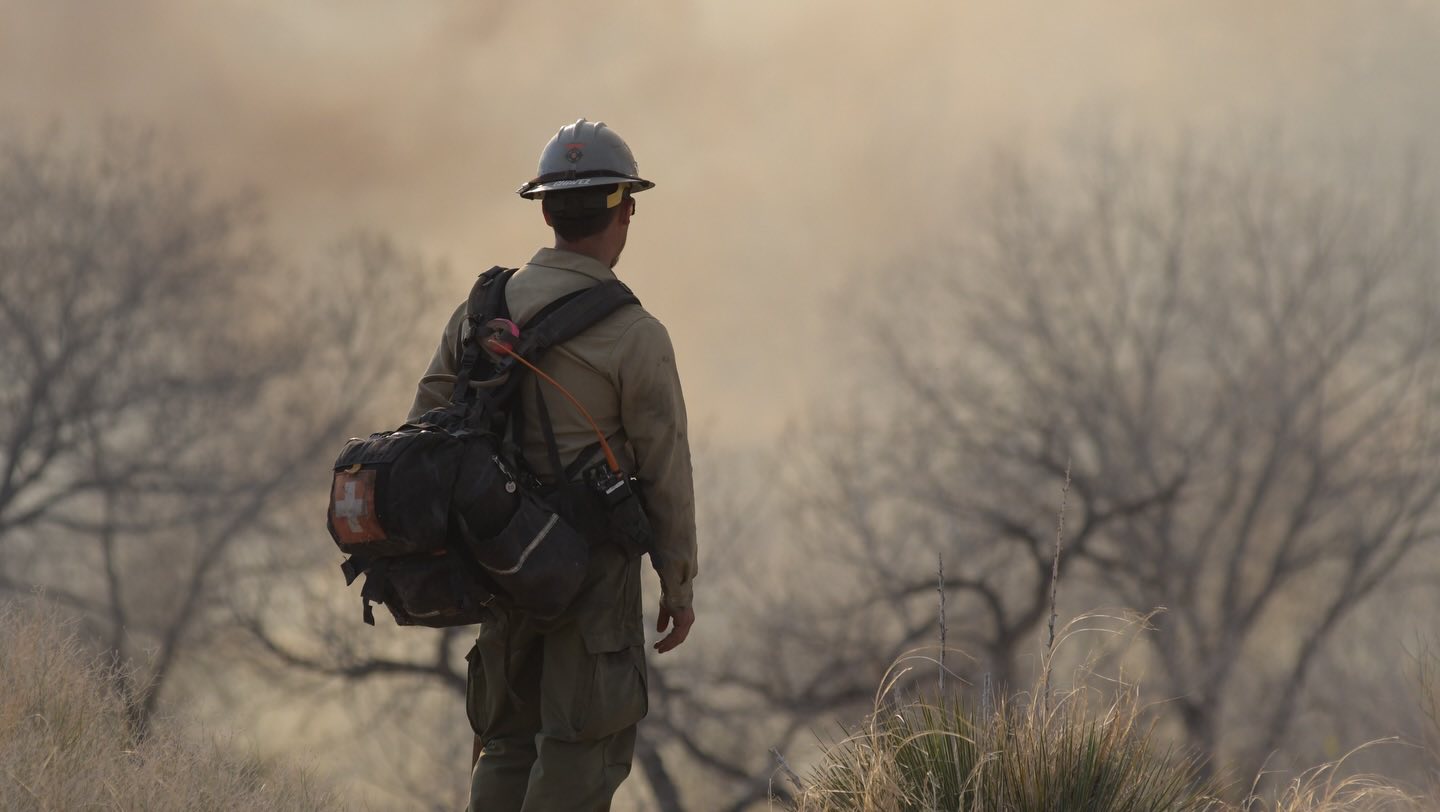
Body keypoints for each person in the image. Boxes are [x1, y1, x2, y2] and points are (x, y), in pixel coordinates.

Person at [406, 119, 697, 811]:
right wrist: (678, 585)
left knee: (507, 744)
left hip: (503, 566)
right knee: (581, 748)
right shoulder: (635, 335)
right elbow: (666, 472)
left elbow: (424, 424)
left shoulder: (480, 311)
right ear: (623, 210)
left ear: (545, 209)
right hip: (592, 577)